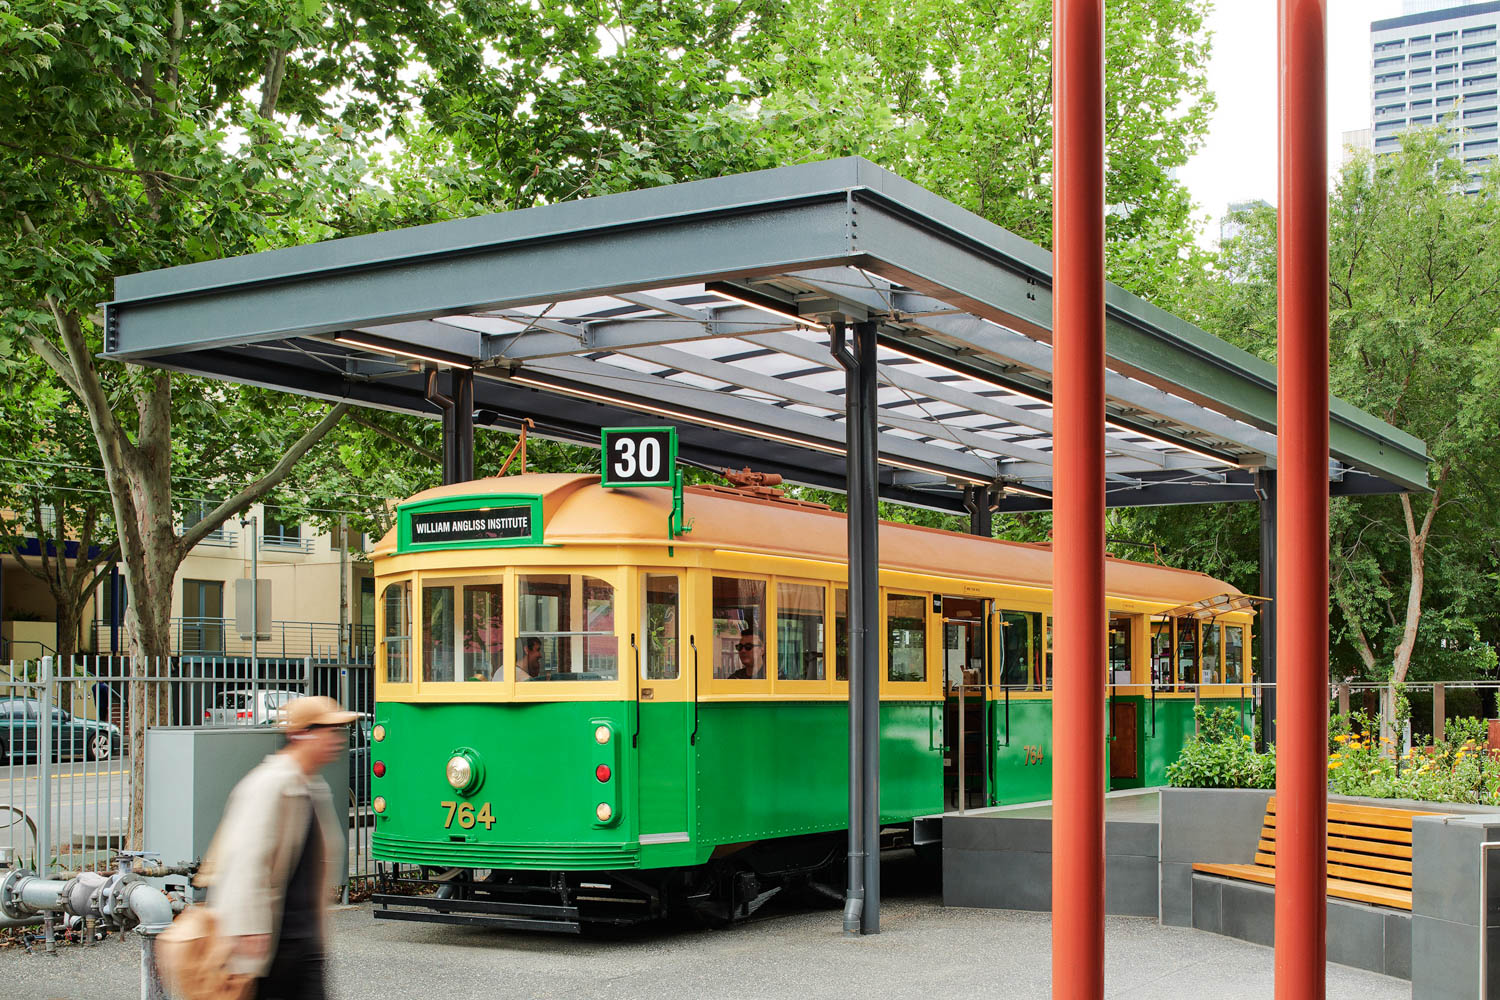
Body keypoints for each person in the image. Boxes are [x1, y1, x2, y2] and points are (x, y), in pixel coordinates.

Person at [199, 695, 354, 1000]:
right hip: (270, 944)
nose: (336, 739)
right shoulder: (270, 785)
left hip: (305, 941)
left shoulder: (312, 785)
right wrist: (249, 932)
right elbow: (246, 861)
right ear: (301, 734)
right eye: (328, 731)